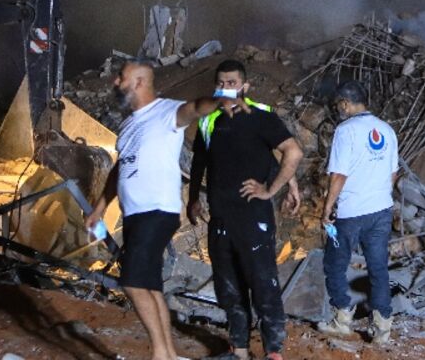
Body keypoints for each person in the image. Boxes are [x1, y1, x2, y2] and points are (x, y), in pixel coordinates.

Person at [85, 61, 207, 360]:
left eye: (121, 78)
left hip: (157, 210)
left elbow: (194, 108)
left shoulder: (166, 112)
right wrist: (99, 208)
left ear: (139, 82)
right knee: (149, 285)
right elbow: (120, 170)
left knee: (132, 280)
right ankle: (167, 353)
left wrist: (220, 99)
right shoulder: (129, 125)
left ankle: (161, 355)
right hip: (136, 215)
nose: (115, 82)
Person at [186, 59, 303, 360]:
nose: (226, 88)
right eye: (221, 83)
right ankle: (238, 349)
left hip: (253, 217)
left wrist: (274, 189)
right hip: (220, 217)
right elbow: (200, 159)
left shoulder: (261, 116)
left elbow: (291, 152)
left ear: (245, 86)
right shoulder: (208, 120)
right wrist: (193, 199)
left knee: (263, 284)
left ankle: (272, 351)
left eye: (232, 83)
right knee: (229, 287)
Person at [317, 80, 399, 344]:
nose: (338, 109)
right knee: (378, 268)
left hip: (351, 213)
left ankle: (342, 321)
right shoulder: (387, 129)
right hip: (381, 210)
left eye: (338, 105)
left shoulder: (346, 130)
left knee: (334, 264)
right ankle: (382, 330)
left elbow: (339, 174)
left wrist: (328, 207)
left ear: (345, 103)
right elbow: (393, 174)